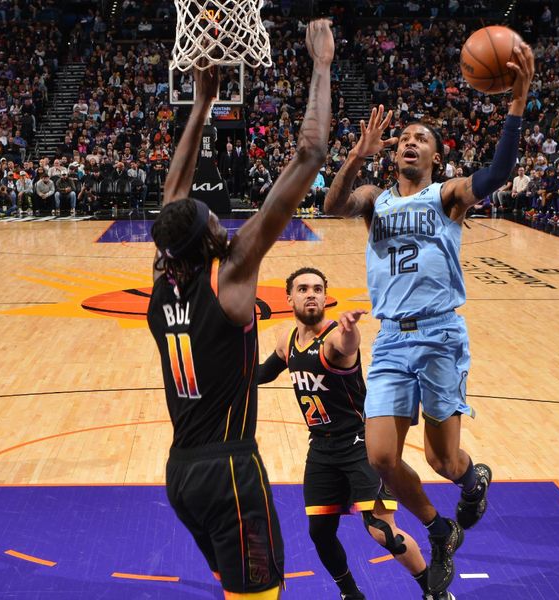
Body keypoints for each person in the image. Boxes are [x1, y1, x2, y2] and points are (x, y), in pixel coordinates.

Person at [323, 41, 535, 595]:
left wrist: (517, 100)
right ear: (395, 154)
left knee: (443, 460)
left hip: (440, 335)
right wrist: (356, 155)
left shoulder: (448, 197)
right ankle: (439, 531)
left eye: (422, 139)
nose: (411, 143)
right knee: (382, 458)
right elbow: (330, 207)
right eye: (405, 138)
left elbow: (498, 172)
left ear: (435, 158)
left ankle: (471, 476)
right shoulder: (375, 200)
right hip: (391, 338)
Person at [146, 20, 334, 600]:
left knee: (235, 587)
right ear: (208, 238)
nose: (220, 220)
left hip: (180, 472)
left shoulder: (163, 279)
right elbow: (311, 155)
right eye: (213, 219)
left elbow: (172, 198)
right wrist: (321, 66)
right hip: (229, 471)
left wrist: (202, 104)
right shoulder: (230, 276)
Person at [258, 267, 454, 600]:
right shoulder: (285, 342)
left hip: (359, 445)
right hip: (321, 449)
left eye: (318, 289)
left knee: (381, 531)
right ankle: (351, 593)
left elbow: (348, 345)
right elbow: (261, 374)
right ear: (289, 297)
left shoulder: (335, 338)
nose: (311, 294)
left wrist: (350, 330)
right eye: (303, 288)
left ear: (325, 297)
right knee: (319, 532)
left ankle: (433, 592)